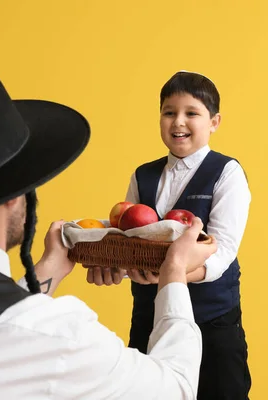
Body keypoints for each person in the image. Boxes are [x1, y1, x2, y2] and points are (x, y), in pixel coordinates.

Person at [0, 73, 217, 399]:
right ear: (14, 195)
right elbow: (176, 388)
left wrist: (46, 270)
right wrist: (173, 270)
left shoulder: (12, 330)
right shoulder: (58, 338)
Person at [88, 71, 252, 399]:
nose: (178, 122)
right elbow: (130, 237)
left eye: (191, 113)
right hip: (150, 317)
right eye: (168, 112)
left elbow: (223, 252)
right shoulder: (142, 175)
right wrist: (114, 264)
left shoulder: (226, 172)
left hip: (212, 320)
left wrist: (172, 275)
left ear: (214, 122)